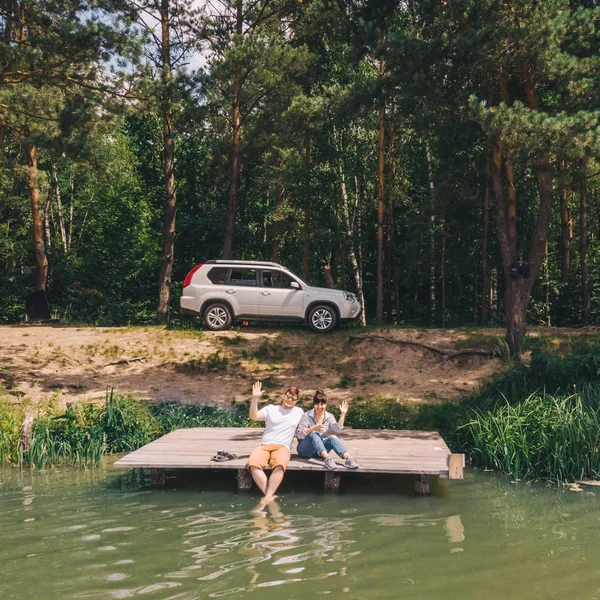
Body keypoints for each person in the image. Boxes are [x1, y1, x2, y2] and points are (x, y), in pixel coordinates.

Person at [247, 381, 303, 503]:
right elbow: (254, 416)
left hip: (282, 447)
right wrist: (255, 399)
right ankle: (269, 496)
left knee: (279, 465)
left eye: (293, 399)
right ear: (284, 395)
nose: (289, 400)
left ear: (296, 401)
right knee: (253, 464)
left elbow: (310, 424)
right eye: (288, 396)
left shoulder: (299, 412)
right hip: (264, 445)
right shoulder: (271, 409)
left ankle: (266, 497)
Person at [296, 390, 359, 470]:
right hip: (305, 450)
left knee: (332, 437)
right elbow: (299, 435)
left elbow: (338, 429)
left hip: (320, 452)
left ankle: (349, 459)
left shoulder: (329, 416)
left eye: (322, 404)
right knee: (314, 433)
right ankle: (328, 459)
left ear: (326, 405)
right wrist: (312, 428)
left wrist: (343, 414)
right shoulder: (306, 415)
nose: (319, 407)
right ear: (313, 404)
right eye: (317, 404)